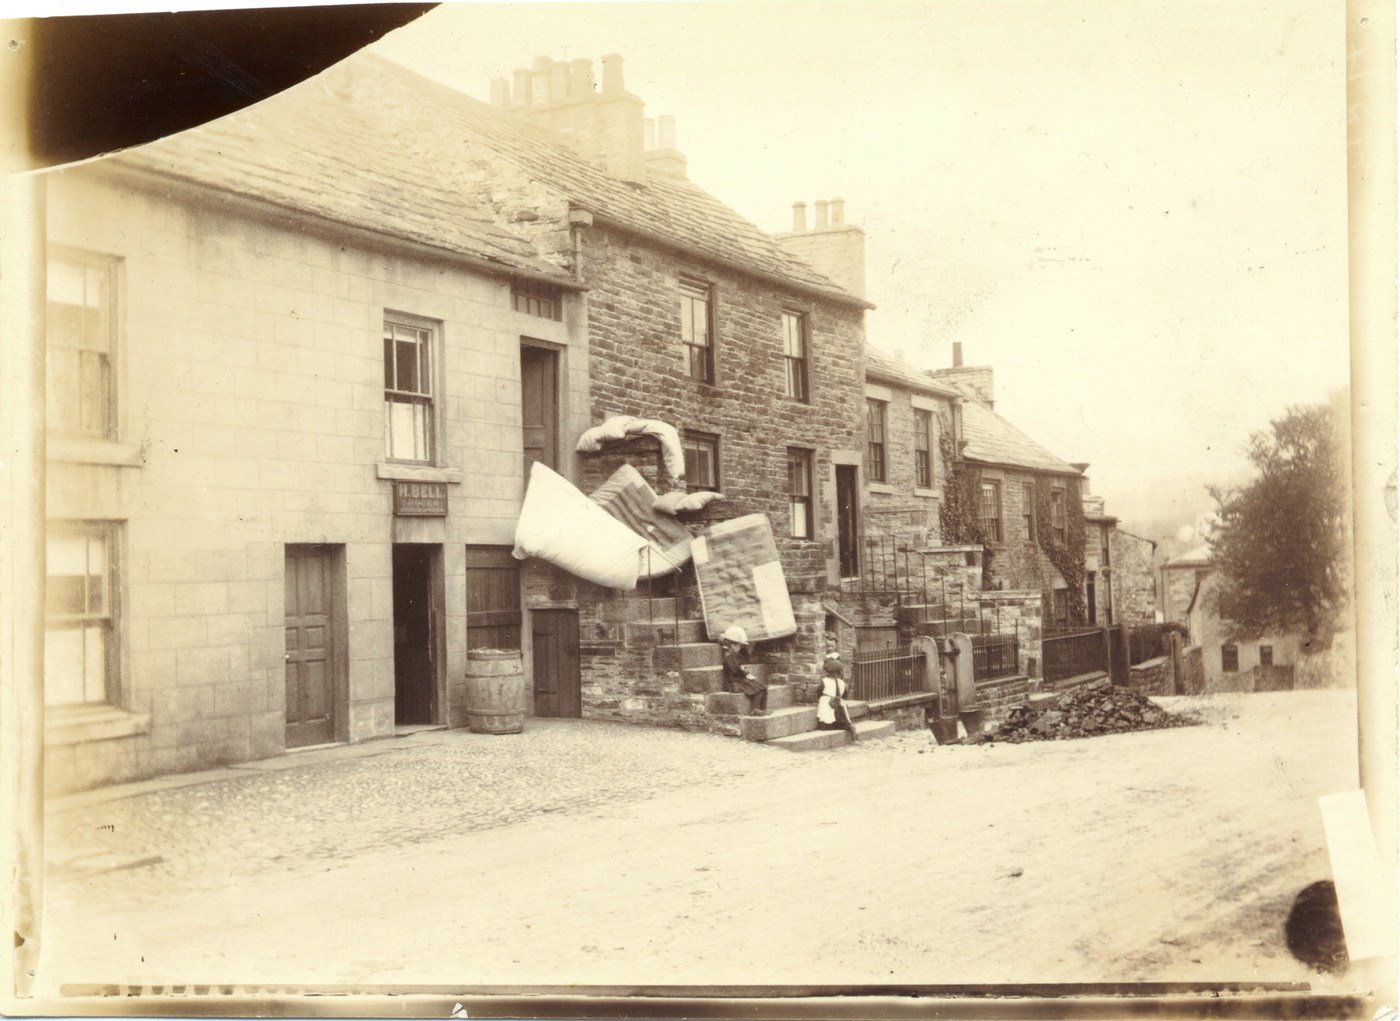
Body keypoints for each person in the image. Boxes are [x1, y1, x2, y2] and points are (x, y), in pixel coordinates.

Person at [719, 624, 766, 715]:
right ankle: (755, 709)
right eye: (738, 646)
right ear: (732, 645)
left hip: (740, 679)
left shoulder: (734, 656)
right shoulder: (728, 658)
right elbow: (735, 670)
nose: (739, 648)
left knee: (763, 687)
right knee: (759, 689)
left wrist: (745, 673)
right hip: (734, 682)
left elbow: (739, 667)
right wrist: (746, 673)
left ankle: (763, 708)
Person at [816, 654, 857, 742]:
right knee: (841, 709)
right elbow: (845, 695)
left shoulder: (824, 681)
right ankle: (844, 724)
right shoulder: (842, 682)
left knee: (826, 711)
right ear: (839, 673)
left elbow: (819, 692)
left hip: (827, 701)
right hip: (838, 701)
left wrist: (821, 698)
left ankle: (828, 725)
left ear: (827, 672)